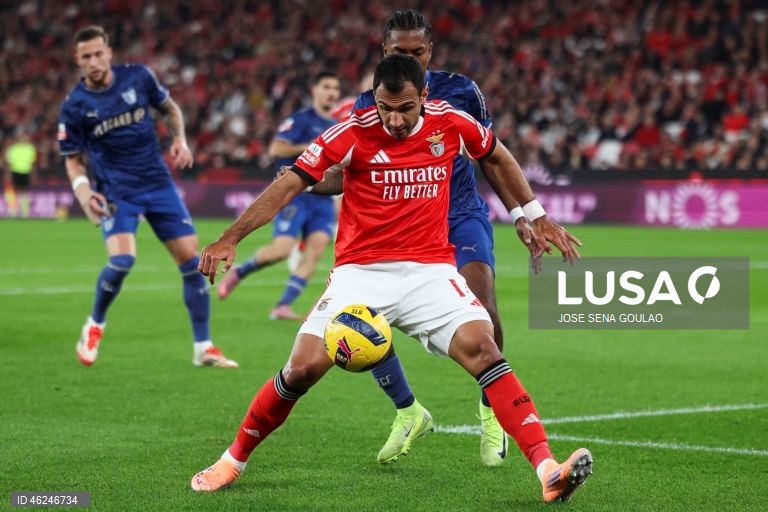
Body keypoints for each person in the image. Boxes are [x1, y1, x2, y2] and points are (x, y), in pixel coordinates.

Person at [191, 54, 591, 503]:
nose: (395, 120)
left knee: (485, 349)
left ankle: (547, 470)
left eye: (405, 107)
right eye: (386, 108)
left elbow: (497, 156)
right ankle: (232, 460)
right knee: (300, 369)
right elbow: (290, 184)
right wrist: (230, 238)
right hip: (360, 274)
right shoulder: (350, 132)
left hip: (430, 272)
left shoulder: (451, 123)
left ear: (423, 96)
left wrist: (534, 214)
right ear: (375, 100)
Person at [332, 10, 567, 467]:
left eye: (417, 52)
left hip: (459, 211)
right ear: (385, 52)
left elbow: (491, 156)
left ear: (430, 51)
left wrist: (521, 213)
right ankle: (407, 410)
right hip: (402, 222)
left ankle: (492, 409)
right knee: (365, 320)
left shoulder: (461, 91)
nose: (409, 58)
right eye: (400, 52)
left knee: (485, 308)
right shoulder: (368, 102)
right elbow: (354, 172)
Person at [58, 26, 237, 368]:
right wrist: (83, 193)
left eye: (98, 53)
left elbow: (169, 109)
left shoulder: (138, 77)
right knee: (123, 261)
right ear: (77, 60)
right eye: (86, 57)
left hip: (158, 184)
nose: (94, 61)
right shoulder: (75, 105)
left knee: (192, 263)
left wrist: (180, 140)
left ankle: (204, 347)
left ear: (109, 52)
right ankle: (94, 325)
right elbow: (72, 159)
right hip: (116, 192)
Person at [216, 72, 341, 320]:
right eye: (326, 86)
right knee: (281, 250)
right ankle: (241, 272)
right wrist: (310, 147)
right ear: (314, 90)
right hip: (296, 195)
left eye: (335, 88)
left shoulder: (338, 126)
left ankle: (282, 306)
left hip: (323, 197)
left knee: (315, 252)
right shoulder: (301, 119)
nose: (331, 92)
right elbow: (276, 148)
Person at [4, 132, 37, 218]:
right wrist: (8, 175)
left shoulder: (30, 148)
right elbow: (8, 164)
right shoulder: (12, 149)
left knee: (24, 192)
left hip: (26, 172)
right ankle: (13, 211)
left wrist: (33, 175)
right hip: (15, 172)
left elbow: (33, 164)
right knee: (13, 191)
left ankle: (24, 212)